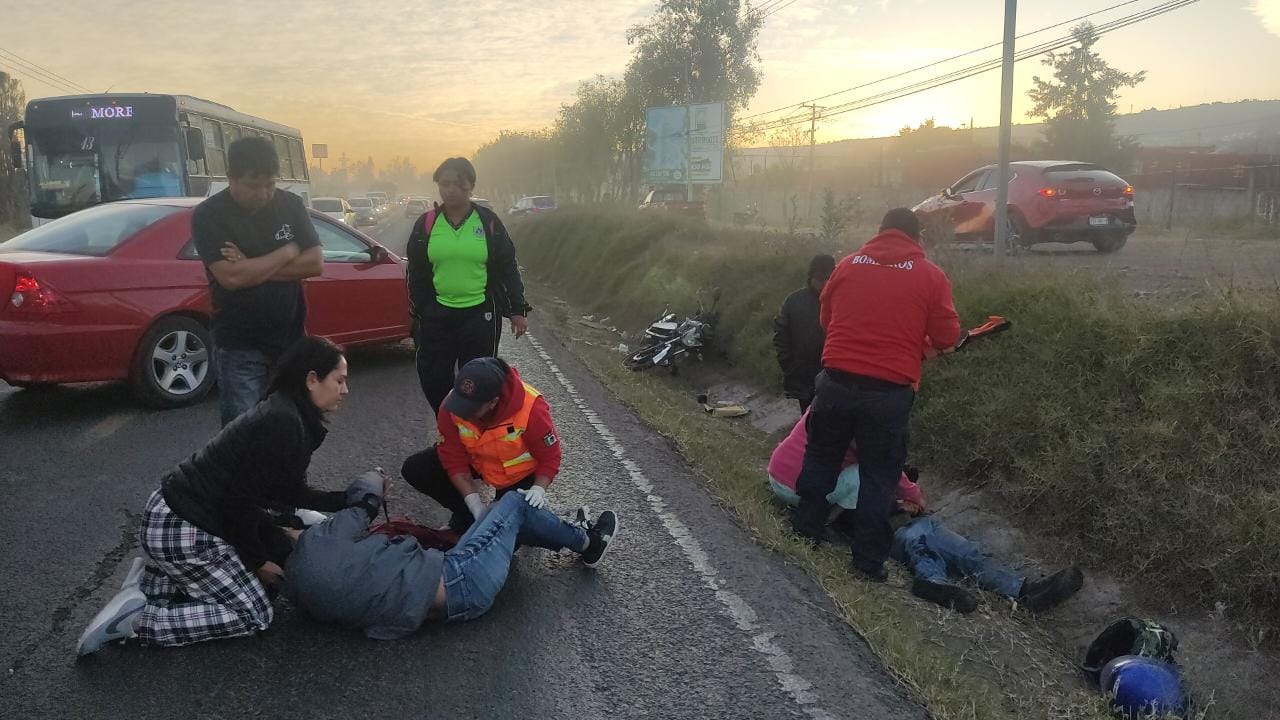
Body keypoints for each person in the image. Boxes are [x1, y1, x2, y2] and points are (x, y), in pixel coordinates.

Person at [76, 337, 358, 655]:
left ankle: (153, 587)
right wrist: (257, 561)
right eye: (339, 380)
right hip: (183, 529)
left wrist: (346, 499)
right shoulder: (283, 422)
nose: (344, 390)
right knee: (254, 614)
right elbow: (237, 502)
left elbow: (283, 492)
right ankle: (141, 620)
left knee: (267, 577)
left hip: (176, 516)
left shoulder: (287, 411)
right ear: (311, 379)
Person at [792, 208, 962, 583]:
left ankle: (804, 529)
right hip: (888, 393)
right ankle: (867, 562)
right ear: (917, 238)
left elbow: (826, 319)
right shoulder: (930, 276)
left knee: (821, 455)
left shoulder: (849, 265)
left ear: (880, 230)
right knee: (879, 475)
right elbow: (948, 337)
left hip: (835, 381)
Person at [767, 415, 1083, 614]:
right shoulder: (856, 474)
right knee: (930, 543)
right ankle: (991, 586)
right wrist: (905, 500)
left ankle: (1018, 589)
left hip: (905, 522)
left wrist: (905, 500)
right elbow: (869, 495)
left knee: (958, 549)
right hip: (885, 526)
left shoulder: (847, 458)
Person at [284, 472, 619, 639]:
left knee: (498, 516)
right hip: (463, 577)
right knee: (514, 503)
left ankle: (546, 532)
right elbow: (364, 501)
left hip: (441, 603)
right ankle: (589, 542)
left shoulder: (296, 587)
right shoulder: (317, 544)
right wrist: (374, 475)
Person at [192, 136, 324, 426]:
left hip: (290, 340)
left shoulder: (290, 204)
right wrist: (289, 251)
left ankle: (288, 474)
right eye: (254, 185)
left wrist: (251, 264)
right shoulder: (209, 215)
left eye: (270, 184)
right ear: (231, 178)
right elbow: (231, 277)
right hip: (240, 345)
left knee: (293, 426)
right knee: (243, 432)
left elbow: (315, 263)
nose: (263, 193)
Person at [405, 157, 532, 414]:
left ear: (470, 186)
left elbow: (508, 265)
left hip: (479, 315)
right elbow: (416, 272)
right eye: (444, 184)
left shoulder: (488, 222)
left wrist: (517, 309)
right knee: (433, 377)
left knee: (477, 380)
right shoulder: (427, 224)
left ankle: (472, 432)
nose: (450, 189)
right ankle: (449, 424)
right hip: (437, 314)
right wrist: (423, 308)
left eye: (457, 184)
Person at [402, 357, 560, 533]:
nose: (463, 413)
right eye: (461, 404)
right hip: (478, 460)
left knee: (503, 533)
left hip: (518, 476)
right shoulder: (451, 406)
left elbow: (549, 457)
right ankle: (467, 519)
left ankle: (578, 539)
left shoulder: (531, 409)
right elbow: (453, 459)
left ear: (493, 402)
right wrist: (474, 504)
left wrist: (538, 489)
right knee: (417, 468)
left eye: (471, 409)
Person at [773, 254, 836, 412]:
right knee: (807, 422)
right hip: (802, 375)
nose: (823, 283)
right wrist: (788, 363)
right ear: (811, 276)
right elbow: (780, 333)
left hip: (833, 375)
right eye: (819, 277)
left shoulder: (840, 300)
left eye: (828, 277)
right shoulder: (794, 301)